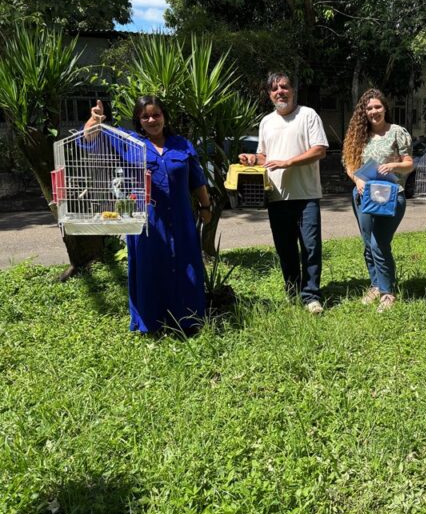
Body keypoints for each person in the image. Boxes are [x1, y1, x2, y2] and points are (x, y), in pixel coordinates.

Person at [85, 96, 211, 334]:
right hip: (147, 222)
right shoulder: (128, 142)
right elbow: (90, 138)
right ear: (138, 120)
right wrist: (95, 119)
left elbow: (197, 179)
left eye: (156, 115)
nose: (152, 120)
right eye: (145, 116)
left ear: (164, 116)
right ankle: (152, 323)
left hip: (182, 219)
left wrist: (206, 207)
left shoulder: (181, 144)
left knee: (186, 267)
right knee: (149, 268)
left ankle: (188, 320)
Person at [239, 72, 328, 314]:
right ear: (269, 95)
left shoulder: (308, 115)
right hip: (276, 196)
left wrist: (288, 162)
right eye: (275, 88)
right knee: (285, 248)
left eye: (284, 86)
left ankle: (311, 296)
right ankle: (293, 291)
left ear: (293, 90)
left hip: (306, 195)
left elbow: (320, 150)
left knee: (310, 247)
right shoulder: (266, 121)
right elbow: (265, 156)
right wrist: (252, 159)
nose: (280, 91)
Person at [342, 89, 413, 312]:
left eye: (378, 107)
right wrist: (357, 181)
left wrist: (394, 166)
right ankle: (375, 285)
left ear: (385, 108)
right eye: (370, 108)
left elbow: (410, 163)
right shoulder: (358, 135)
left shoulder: (397, 132)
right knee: (367, 244)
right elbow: (349, 164)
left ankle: (387, 293)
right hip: (363, 195)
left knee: (379, 243)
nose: (374, 111)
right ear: (364, 111)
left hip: (391, 197)